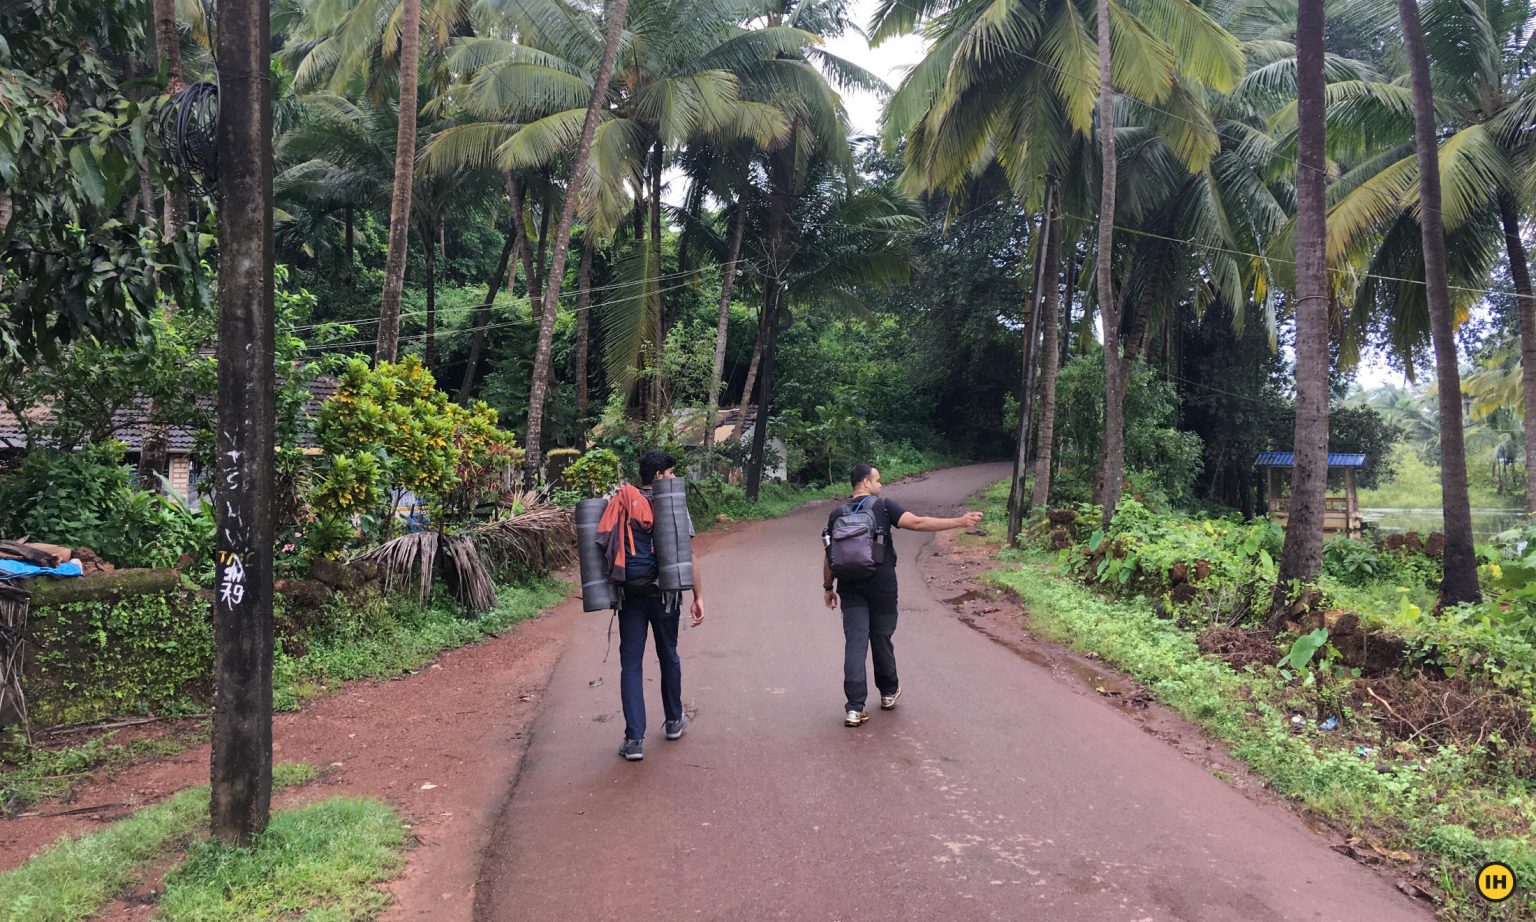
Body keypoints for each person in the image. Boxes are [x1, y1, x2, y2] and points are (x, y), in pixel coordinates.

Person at [823, 464, 981, 727]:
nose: (881, 485)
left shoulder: (836, 514)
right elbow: (917, 523)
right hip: (881, 585)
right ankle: (887, 693)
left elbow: (830, 555)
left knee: (856, 643)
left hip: (849, 586)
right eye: (878, 480)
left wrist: (828, 587)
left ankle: (854, 709)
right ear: (865, 482)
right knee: (881, 638)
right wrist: (959, 522)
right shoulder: (883, 506)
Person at [615, 450, 704, 762]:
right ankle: (673, 720)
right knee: (668, 655)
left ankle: (634, 739)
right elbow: (688, 554)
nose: (672, 479)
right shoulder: (671, 503)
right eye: (669, 474)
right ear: (657, 476)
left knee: (631, 665)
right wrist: (698, 596)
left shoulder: (623, 501)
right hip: (665, 595)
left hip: (630, 595)